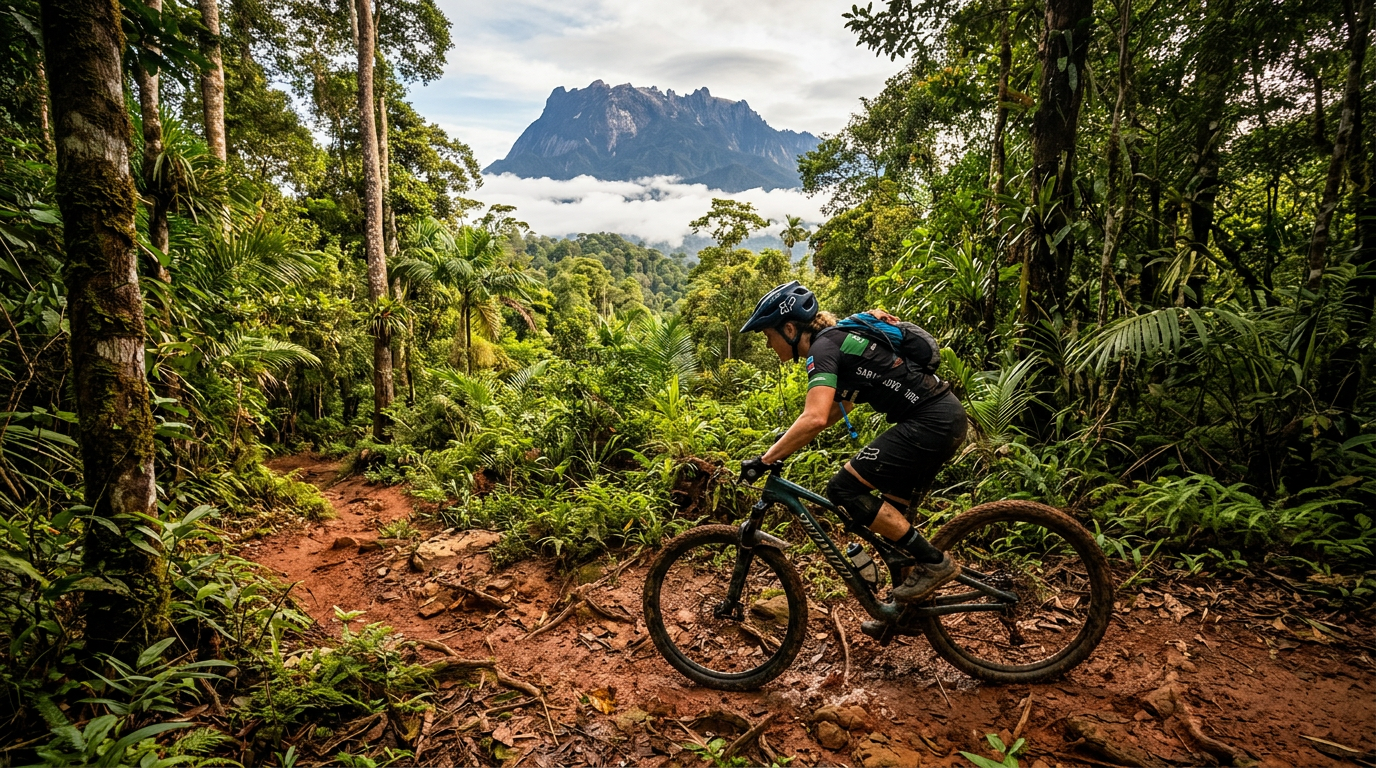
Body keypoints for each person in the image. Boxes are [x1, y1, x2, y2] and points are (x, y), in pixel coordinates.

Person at [738, 281, 969, 609]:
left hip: (930, 423)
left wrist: (763, 460)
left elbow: (814, 417)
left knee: (843, 489)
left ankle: (935, 563)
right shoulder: (838, 342)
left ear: (789, 328)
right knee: (894, 524)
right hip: (942, 418)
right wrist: (782, 448)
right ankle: (906, 615)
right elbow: (835, 410)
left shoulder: (823, 349)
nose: (767, 344)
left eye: (767, 335)